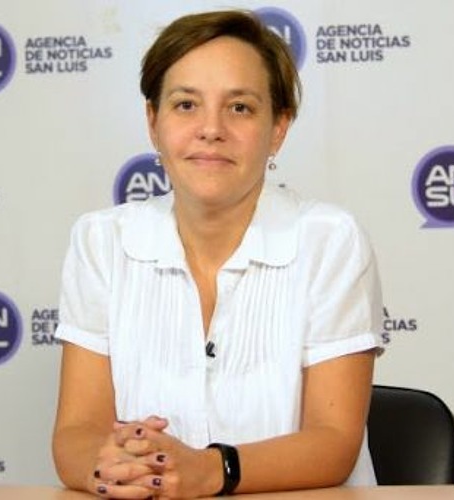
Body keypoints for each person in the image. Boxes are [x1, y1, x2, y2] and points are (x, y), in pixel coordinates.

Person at [52, 9, 383, 499]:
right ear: (153, 122)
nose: (211, 129)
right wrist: (113, 467)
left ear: (279, 128)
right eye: (186, 105)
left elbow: (333, 441)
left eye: (240, 108)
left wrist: (210, 469)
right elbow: (75, 434)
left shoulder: (330, 240)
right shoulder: (100, 241)